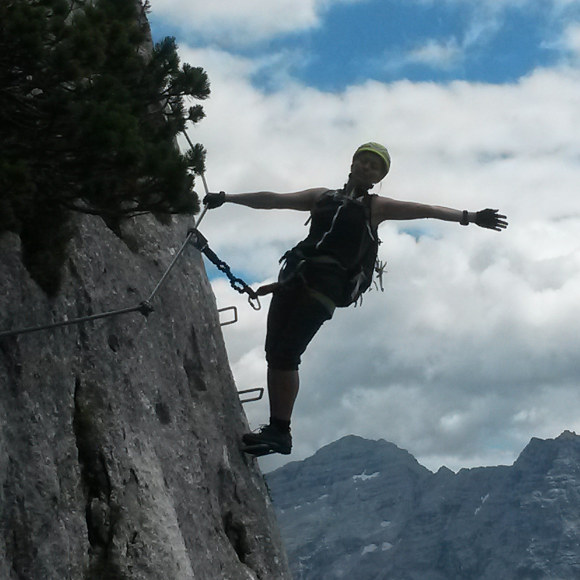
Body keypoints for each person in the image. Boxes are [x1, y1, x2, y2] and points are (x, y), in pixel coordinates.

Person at [203, 142, 508, 456]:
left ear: (379, 177)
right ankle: (276, 429)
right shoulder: (321, 197)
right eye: (362, 161)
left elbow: (425, 210)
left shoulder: (376, 207)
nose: (365, 167)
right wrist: (227, 198)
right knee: (274, 352)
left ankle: (281, 430)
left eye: (373, 166)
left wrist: (469, 217)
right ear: (352, 163)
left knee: (287, 353)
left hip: (325, 288)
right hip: (292, 279)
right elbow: (275, 200)